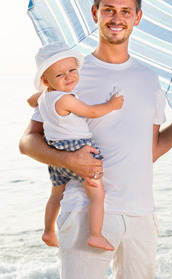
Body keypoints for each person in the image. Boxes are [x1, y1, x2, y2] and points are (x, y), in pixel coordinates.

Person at [19, 0, 172, 279]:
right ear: (95, 13)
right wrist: (67, 160)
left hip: (141, 214)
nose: (117, 18)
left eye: (125, 11)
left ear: (137, 18)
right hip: (85, 212)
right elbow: (28, 140)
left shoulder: (149, 79)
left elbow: (151, 150)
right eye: (109, 9)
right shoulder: (71, 74)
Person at [30, 42, 124, 251]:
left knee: (56, 194)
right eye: (60, 75)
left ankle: (47, 231)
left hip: (56, 151)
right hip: (78, 148)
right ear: (46, 80)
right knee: (97, 193)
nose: (69, 77)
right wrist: (112, 105)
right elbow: (91, 112)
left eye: (72, 70)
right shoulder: (65, 99)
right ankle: (95, 234)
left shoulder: (45, 97)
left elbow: (30, 100)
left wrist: (43, 92)